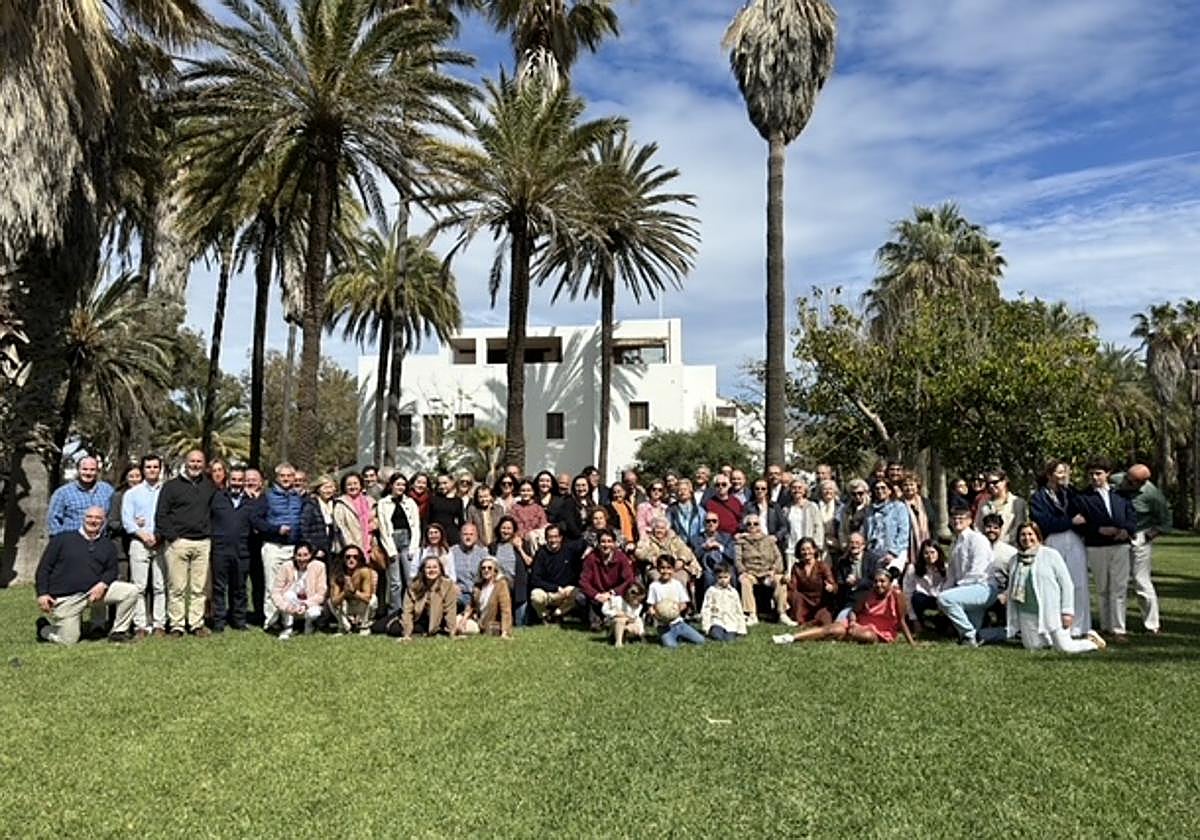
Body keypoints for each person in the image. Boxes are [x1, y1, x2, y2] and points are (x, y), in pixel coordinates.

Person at [35, 506, 140, 644]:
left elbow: (111, 571)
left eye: (98, 518)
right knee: (68, 640)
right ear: (83, 519)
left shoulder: (107, 545)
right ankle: (44, 628)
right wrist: (42, 593)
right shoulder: (62, 539)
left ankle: (118, 632)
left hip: (93, 594)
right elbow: (44, 568)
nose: (93, 521)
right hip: (67, 598)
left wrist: (103, 584)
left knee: (131, 591)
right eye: (89, 517)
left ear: (103, 521)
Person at [1004, 523, 1106, 653]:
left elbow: (1067, 584)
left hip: (1052, 612)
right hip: (1027, 613)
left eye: (1030, 534)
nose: (1027, 538)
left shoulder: (1050, 555)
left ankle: (1091, 642)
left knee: (1065, 648)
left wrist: (1067, 612)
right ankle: (1047, 639)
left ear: (1038, 536)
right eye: (1023, 535)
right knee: (1033, 647)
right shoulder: (1014, 559)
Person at [155, 450, 217, 637]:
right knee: (177, 587)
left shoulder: (209, 486)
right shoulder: (171, 487)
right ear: (186, 462)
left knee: (199, 588)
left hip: (203, 543)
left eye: (199, 461)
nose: (195, 464)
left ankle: (196, 624)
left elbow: (215, 512)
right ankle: (177, 625)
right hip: (178, 543)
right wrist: (173, 538)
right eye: (192, 461)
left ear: (204, 464)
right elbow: (161, 515)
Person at [1075, 456, 1137, 642]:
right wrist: (1098, 529)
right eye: (1091, 474)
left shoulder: (1120, 495)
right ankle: (1105, 626)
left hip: (1120, 546)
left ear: (1107, 474)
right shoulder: (1082, 498)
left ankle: (1119, 629)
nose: (1094, 478)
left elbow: (1132, 516)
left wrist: (1127, 530)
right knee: (1102, 587)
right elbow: (1079, 523)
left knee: (1119, 587)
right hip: (1097, 546)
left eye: (1098, 474)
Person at [774, 568, 915, 646]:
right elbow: (854, 611)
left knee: (868, 636)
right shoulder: (868, 593)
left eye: (883, 581)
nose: (879, 585)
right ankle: (791, 637)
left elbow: (902, 621)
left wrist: (912, 644)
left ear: (890, 582)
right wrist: (853, 623)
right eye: (876, 581)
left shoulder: (897, 595)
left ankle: (840, 636)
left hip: (880, 631)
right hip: (859, 624)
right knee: (831, 628)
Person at [1030, 459, 1091, 637]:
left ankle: (1079, 625)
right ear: (1049, 475)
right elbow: (1044, 522)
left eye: (1065, 472)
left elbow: (1083, 513)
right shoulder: (1038, 497)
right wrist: (1069, 521)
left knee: (1078, 582)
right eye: (1059, 472)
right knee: (1054, 583)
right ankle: (1054, 625)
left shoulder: (1071, 493)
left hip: (1073, 540)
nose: (1063, 476)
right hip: (1052, 540)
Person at [1115, 464, 1171, 635]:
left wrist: (1149, 535)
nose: (1125, 482)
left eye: (1130, 481)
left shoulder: (1152, 495)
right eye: (1126, 478)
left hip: (1139, 536)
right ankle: (1115, 624)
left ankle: (1152, 625)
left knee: (1141, 581)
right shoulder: (1116, 479)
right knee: (1117, 581)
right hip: (1117, 536)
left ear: (1140, 483)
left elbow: (1166, 521)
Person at [251, 463, 304, 631]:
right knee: (273, 586)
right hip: (274, 546)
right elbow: (255, 519)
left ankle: (288, 622)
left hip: (293, 548)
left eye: (290, 476)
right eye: (283, 476)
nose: (286, 479)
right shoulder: (267, 496)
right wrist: (275, 529)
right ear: (277, 477)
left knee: (291, 586)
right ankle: (271, 621)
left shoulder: (298, 497)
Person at [937, 506, 999, 647]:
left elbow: (977, 571)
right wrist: (944, 590)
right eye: (954, 518)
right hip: (968, 589)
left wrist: (950, 594)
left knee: (945, 599)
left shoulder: (977, 539)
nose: (957, 521)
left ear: (970, 521)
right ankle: (977, 635)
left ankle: (969, 634)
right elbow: (951, 574)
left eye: (961, 518)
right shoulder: (955, 543)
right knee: (976, 633)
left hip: (983, 587)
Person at [122, 454, 165, 638]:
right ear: (143, 469)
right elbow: (127, 520)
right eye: (148, 467)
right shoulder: (132, 494)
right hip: (139, 543)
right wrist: (143, 535)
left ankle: (159, 624)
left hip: (161, 543)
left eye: (155, 467)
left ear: (160, 469)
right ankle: (140, 625)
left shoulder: (166, 491)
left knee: (160, 586)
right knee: (138, 587)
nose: (152, 470)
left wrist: (159, 536)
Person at [210, 465, 253, 632]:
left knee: (240, 587)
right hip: (220, 550)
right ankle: (219, 621)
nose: (236, 483)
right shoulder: (217, 498)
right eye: (234, 479)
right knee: (219, 587)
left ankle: (239, 621)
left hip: (242, 550)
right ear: (228, 480)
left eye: (240, 480)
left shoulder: (250, 500)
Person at [735, 513, 793, 626]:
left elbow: (778, 558)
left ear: (760, 526)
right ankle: (751, 614)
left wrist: (774, 570)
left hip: (768, 572)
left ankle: (782, 613)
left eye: (755, 524)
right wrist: (743, 572)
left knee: (780, 580)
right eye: (749, 524)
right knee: (745, 581)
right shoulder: (741, 542)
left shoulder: (769, 540)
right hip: (751, 573)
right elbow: (738, 560)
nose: (752, 526)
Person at [377, 472, 419, 613]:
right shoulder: (383, 503)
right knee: (395, 582)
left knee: (410, 579)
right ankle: (395, 610)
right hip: (392, 541)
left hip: (407, 541)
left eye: (403, 485)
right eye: (398, 484)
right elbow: (383, 527)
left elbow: (416, 526)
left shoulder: (410, 502)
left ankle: (411, 609)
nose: (400, 487)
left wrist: (413, 548)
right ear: (391, 486)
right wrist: (391, 551)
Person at [579, 529, 637, 631]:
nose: (606, 545)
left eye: (609, 541)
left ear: (614, 543)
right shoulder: (591, 558)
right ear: (598, 543)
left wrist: (612, 593)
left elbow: (629, 579)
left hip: (615, 595)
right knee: (580, 597)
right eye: (603, 541)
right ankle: (593, 620)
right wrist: (596, 595)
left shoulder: (621, 558)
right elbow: (583, 581)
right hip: (596, 596)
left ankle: (611, 620)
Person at [47, 455, 114, 537]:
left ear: (97, 471)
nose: (88, 473)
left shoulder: (107, 490)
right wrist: (62, 541)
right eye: (84, 469)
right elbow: (53, 520)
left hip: (100, 542)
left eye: (92, 470)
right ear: (78, 470)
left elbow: (113, 516)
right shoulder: (63, 493)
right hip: (72, 543)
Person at [270, 542, 327, 640]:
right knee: (288, 595)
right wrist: (286, 607)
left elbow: (321, 593)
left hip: (309, 602)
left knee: (314, 612)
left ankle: (309, 625)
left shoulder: (319, 566)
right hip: (292, 601)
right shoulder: (286, 566)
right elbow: (276, 592)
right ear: (294, 556)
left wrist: (305, 605)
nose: (302, 559)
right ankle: (287, 627)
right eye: (299, 555)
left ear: (311, 555)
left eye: (305, 555)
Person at [529, 524, 584, 622]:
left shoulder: (569, 551)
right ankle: (544, 616)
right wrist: (555, 588)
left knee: (578, 593)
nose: (553, 540)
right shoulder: (541, 553)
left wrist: (568, 587)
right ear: (546, 539)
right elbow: (535, 579)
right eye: (550, 537)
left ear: (561, 538)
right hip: (547, 592)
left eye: (556, 537)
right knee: (535, 596)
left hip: (564, 591)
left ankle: (557, 614)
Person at [647, 556, 705, 648]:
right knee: (671, 646)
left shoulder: (677, 584)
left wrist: (678, 609)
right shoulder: (654, 586)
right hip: (664, 626)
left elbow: (684, 603)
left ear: (673, 569)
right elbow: (650, 605)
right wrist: (653, 612)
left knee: (701, 640)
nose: (665, 571)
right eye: (662, 568)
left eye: (669, 568)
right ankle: (667, 636)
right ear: (658, 569)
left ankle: (680, 635)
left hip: (679, 623)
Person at [398, 556, 457, 640]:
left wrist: (452, 633)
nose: (432, 570)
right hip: (417, 618)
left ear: (440, 570)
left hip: (436, 620)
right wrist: (406, 634)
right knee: (390, 629)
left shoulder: (447, 585)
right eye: (428, 567)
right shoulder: (414, 586)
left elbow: (450, 610)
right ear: (423, 570)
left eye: (435, 567)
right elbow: (407, 611)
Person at [862, 479, 909, 582]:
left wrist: (893, 553)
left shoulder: (898, 507)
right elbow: (866, 531)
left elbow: (903, 532)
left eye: (883, 488)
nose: (880, 491)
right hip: (873, 553)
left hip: (892, 551)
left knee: (889, 582)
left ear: (889, 491)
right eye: (877, 488)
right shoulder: (869, 510)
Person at [634, 516, 700, 587]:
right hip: (657, 568)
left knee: (681, 578)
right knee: (657, 579)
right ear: (653, 529)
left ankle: (681, 597)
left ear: (666, 529)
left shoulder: (674, 538)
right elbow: (639, 552)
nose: (659, 530)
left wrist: (681, 560)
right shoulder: (647, 539)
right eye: (657, 528)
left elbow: (686, 550)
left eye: (662, 528)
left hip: (675, 568)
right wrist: (651, 558)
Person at [489, 516, 531, 625]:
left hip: (518, 585)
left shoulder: (521, 543)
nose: (506, 531)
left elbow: (529, 563)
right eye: (503, 528)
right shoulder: (493, 546)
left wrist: (520, 548)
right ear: (499, 529)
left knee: (520, 624)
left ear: (513, 530)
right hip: (501, 585)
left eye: (509, 528)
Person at [786, 538, 838, 626]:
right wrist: (787, 581)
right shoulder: (796, 567)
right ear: (799, 552)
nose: (806, 552)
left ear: (814, 550)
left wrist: (831, 587)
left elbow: (834, 586)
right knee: (796, 596)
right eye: (803, 549)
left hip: (821, 602)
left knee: (824, 620)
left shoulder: (823, 566)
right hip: (804, 601)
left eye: (809, 549)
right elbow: (793, 588)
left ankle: (811, 622)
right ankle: (801, 620)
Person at [457, 558, 514, 638]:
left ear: (495, 570)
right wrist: (464, 619)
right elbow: (471, 606)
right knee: (456, 621)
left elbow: (506, 610)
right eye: (483, 568)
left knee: (464, 628)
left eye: (489, 568)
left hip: (491, 625)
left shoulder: (501, 585)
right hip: (477, 620)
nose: (486, 570)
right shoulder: (478, 586)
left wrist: (505, 632)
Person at [903, 539, 949, 634]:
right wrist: (914, 619)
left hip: (941, 600)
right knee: (916, 598)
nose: (930, 556)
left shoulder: (946, 568)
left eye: (932, 552)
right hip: (922, 600)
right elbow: (907, 594)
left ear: (938, 553)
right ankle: (920, 623)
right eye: (926, 553)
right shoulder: (913, 569)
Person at [330, 546, 376, 635]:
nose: (351, 560)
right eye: (348, 557)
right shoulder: (337, 573)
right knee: (330, 601)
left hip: (360, 604)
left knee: (374, 599)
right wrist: (344, 592)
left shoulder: (364, 572)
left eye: (355, 557)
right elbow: (334, 601)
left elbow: (368, 598)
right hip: (346, 604)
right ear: (343, 558)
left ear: (359, 559)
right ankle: (344, 627)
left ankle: (364, 626)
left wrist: (354, 591)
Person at [973, 469, 1027, 545]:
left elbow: (1018, 527)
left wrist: (1000, 543)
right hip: (986, 547)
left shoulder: (1018, 503)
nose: (991, 486)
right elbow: (977, 526)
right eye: (988, 483)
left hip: (1011, 548)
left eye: (995, 482)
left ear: (1005, 481)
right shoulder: (983, 503)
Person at [777, 479, 824, 565]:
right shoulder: (786, 509)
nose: (797, 490)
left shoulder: (812, 506)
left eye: (800, 488)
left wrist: (818, 545)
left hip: (808, 548)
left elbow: (818, 526)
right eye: (794, 488)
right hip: (791, 547)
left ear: (804, 490)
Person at [332, 472, 377, 555]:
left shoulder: (370, 501)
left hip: (371, 548)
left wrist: (375, 524)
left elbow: (377, 520)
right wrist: (353, 548)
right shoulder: (340, 505)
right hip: (351, 550)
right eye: (349, 484)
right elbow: (341, 528)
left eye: (355, 483)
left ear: (360, 485)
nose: (353, 487)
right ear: (344, 487)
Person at [700, 563, 746, 641]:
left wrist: (742, 630)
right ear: (715, 577)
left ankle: (730, 635)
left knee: (729, 639)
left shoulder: (733, 592)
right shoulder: (712, 591)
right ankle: (713, 634)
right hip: (717, 621)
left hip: (731, 623)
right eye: (720, 577)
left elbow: (739, 611)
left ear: (730, 577)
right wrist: (706, 627)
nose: (723, 580)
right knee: (717, 635)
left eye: (725, 577)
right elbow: (706, 609)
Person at [299, 475, 339, 562]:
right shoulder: (310, 505)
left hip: (333, 549)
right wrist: (314, 549)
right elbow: (304, 530)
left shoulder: (337, 504)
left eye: (331, 487)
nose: (328, 491)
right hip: (317, 550)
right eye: (325, 488)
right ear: (318, 489)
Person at [449, 522, 487, 612]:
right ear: (460, 536)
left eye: (471, 534)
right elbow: (444, 573)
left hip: (478, 593)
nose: (468, 537)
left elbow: (491, 573)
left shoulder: (483, 553)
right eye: (465, 534)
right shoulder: (451, 552)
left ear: (476, 536)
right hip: (459, 594)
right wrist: (451, 585)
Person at [548, 474, 591, 541]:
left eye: (583, 485)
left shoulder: (591, 503)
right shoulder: (569, 502)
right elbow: (570, 524)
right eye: (578, 486)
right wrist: (581, 537)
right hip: (574, 539)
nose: (581, 488)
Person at [602, 582, 646, 648]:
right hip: (614, 623)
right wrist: (615, 613)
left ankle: (626, 636)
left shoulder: (639, 606)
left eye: (639, 600)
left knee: (631, 623)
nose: (637, 602)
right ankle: (618, 642)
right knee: (621, 620)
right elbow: (604, 610)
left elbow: (634, 617)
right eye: (636, 599)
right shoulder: (617, 600)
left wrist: (626, 616)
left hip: (629, 624)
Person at [428, 473, 464, 545]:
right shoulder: (433, 499)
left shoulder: (457, 501)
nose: (442, 486)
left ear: (452, 483)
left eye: (445, 483)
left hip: (452, 536)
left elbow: (461, 521)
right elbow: (428, 519)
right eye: (439, 484)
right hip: (436, 536)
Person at [510, 478, 548, 545]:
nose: (526, 493)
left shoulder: (538, 508)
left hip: (537, 539)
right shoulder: (515, 508)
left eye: (528, 490)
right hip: (520, 540)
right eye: (523, 491)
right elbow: (516, 526)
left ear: (533, 492)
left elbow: (543, 524)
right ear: (519, 492)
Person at [667, 477, 704, 544]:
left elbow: (703, 530)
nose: (682, 492)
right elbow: (668, 528)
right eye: (679, 490)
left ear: (690, 491)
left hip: (697, 545)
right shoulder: (671, 509)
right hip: (678, 545)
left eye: (685, 489)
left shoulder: (699, 510)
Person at [815, 479, 843, 559]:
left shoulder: (841, 507)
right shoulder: (815, 506)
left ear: (835, 491)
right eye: (825, 489)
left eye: (830, 489)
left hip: (836, 543)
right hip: (819, 543)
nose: (828, 491)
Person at [839, 479, 871, 546]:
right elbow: (842, 530)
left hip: (867, 546)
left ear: (866, 492)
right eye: (854, 494)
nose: (857, 496)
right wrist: (844, 545)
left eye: (860, 493)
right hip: (850, 545)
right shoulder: (845, 509)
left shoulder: (871, 508)